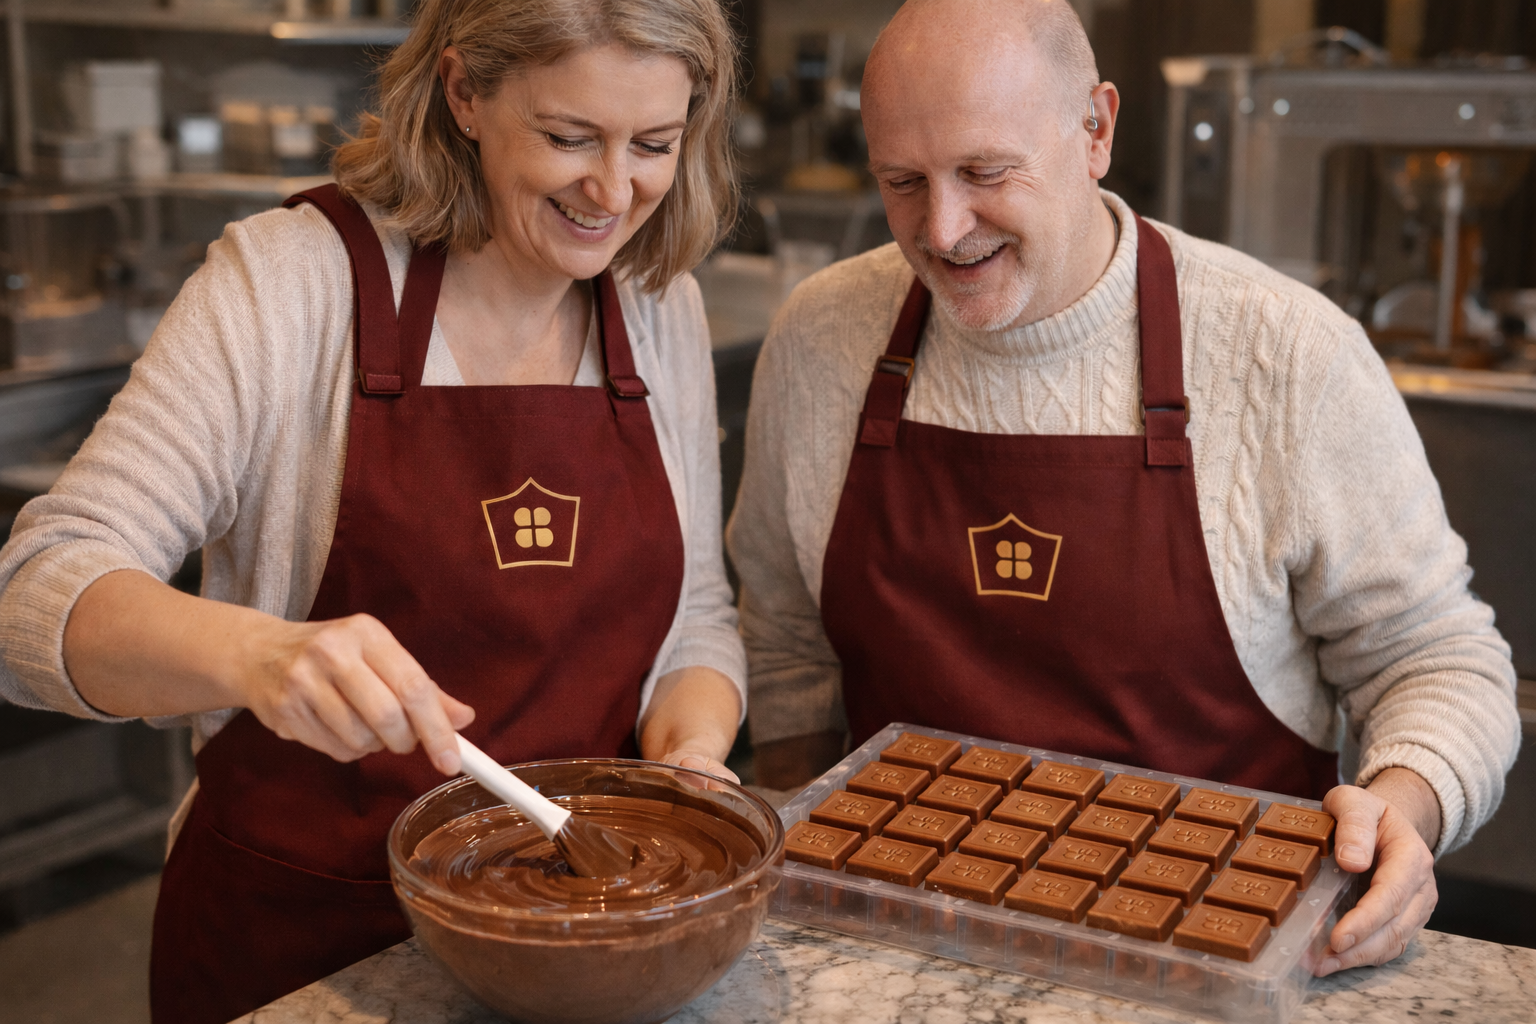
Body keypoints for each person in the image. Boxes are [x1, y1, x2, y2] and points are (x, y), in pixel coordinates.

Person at [728, 0, 1519, 977]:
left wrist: (1403, 809)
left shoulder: (1285, 354)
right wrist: (793, 896)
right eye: (902, 181)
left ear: (1097, 129)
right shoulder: (820, 337)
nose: (941, 229)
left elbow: (1441, 660)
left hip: (1214, 976)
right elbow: (785, 638)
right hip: (893, 955)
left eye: (985, 172)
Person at [0, 0, 745, 1020]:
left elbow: (696, 610)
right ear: (465, 92)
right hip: (305, 952)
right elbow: (35, 593)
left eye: (654, 144)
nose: (614, 191)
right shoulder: (290, 283)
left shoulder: (661, 308)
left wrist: (694, 754)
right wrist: (260, 656)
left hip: (582, 947)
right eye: (569, 137)